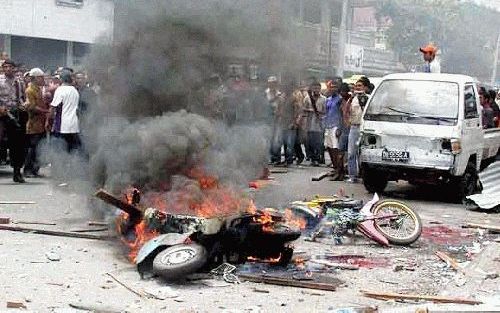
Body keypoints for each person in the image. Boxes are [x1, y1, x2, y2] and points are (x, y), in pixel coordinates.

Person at [0, 60, 28, 182]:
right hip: (2, 114)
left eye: (10, 67)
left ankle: (17, 172)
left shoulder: (19, 82)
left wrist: (25, 104)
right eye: (5, 67)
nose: (8, 69)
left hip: (15, 114)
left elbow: (22, 98)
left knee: (17, 144)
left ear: (14, 68)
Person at [46, 70, 81, 153]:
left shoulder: (60, 90)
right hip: (74, 124)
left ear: (61, 79)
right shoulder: (75, 91)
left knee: (60, 149)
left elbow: (53, 107)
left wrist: (48, 121)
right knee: (72, 149)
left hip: (62, 125)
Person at [24, 68, 49, 177]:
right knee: (33, 148)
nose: (42, 79)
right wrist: (46, 111)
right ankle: (28, 170)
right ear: (35, 78)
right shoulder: (30, 90)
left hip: (41, 124)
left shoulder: (38, 89)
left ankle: (35, 169)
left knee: (39, 148)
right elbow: (32, 107)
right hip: (34, 124)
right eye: (40, 77)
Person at [345, 77, 370, 183]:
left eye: (360, 86)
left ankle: (365, 177)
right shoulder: (352, 99)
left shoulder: (369, 98)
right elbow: (347, 111)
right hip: (354, 127)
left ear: (365, 87)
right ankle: (352, 176)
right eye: (356, 86)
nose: (357, 87)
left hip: (364, 127)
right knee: (351, 153)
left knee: (364, 153)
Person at [302, 81, 326, 167]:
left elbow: (325, 111)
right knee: (309, 142)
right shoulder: (307, 98)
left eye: (318, 88)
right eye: (315, 88)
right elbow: (303, 109)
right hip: (309, 123)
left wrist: (320, 114)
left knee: (319, 142)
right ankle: (312, 158)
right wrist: (310, 111)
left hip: (319, 124)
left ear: (320, 89)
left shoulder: (324, 99)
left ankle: (318, 157)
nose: (316, 90)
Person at [279, 82, 303, 166]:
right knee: (285, 143)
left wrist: (295, 122)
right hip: (283, 123)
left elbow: (298, 111)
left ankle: (289, 160)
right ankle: (287, 159)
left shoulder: (294, 98)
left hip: (291, 123)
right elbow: (279, 110)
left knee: (290, 143)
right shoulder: (282, 97)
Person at [324, 78, 343, 179]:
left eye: (335, 87)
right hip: (328, 125)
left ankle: (339, 171)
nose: (333, 89)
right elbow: (326, 112)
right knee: (329, 148)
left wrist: (340, 128)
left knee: (336, 149)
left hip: (336, 126)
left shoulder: (340, 99)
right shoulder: (328, 99)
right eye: (331, 87)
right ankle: (335, 168)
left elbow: (341, 114)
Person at [266, 76, 284, 165]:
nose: (272, 85)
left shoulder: (280, 94)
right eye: (271, 83)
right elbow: (264, 104)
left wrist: (279, 115)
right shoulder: (265, 93)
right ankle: (270, 156)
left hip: (277, 118)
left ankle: (277, 157)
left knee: (277, 139)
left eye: (274, 83)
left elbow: (281, 107)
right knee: (268, 138)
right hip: (267, 118)